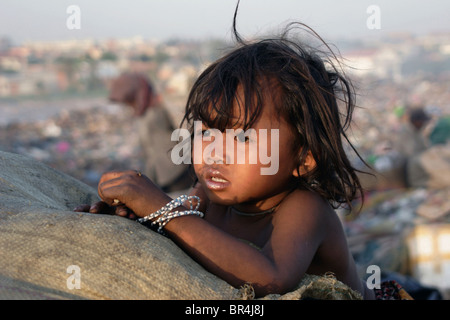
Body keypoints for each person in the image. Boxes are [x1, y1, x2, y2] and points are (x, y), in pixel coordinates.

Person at [76, 9, 376, 299]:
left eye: (243, 136)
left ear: (304, 158)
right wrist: (135, 215)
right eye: (206, 133)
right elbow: (176, 223)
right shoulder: (207, 196)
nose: (215, 152)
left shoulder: (305, 209)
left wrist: (162, 209)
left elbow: (271, 278)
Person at [109, 72, 193, 193]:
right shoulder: (143, 113)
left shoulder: (158, 109)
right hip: (159, 171)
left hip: (176, 169)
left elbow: (185, 133)